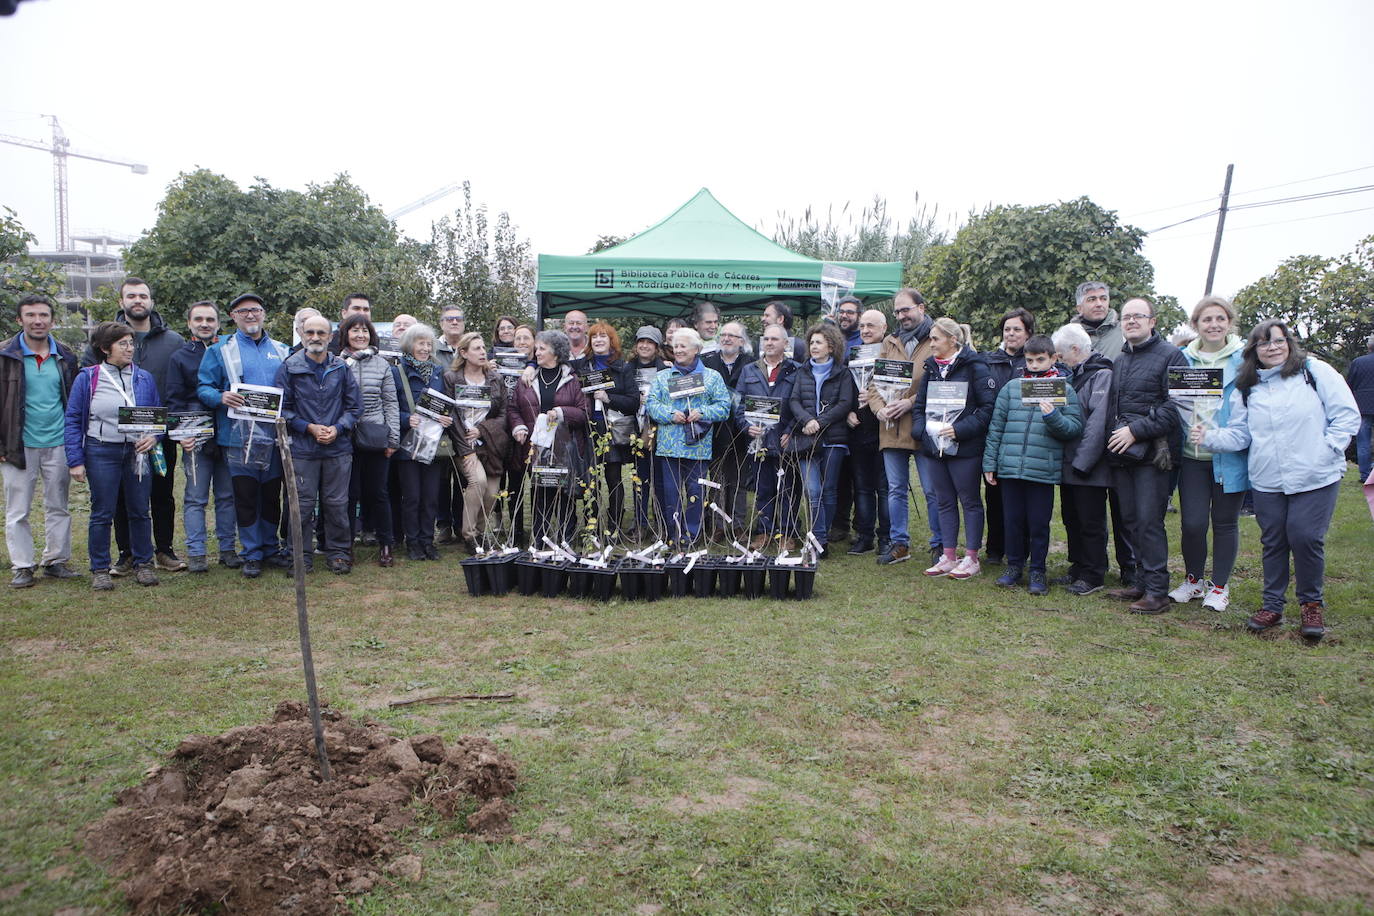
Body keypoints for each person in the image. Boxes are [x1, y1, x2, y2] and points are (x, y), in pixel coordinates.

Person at [1195, 320, 1359, 640]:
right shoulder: (1247, 386)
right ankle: (1272, 605)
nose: (1272, 347)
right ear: (1254, 350)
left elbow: (1346, 413)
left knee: (1305, 536)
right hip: (1268, 477)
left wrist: (1329, 449)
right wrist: (1210, 437)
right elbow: (1241, 435)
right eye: (1264, 343)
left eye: (1278, 341)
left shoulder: (1314, 372)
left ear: (1289, 343)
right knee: (1273, 541)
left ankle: (1311, 604)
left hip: (1316, 474)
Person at [82, 277, 187, 574]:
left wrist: (164, 430)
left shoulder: (173, 341)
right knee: (120, 498)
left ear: (151, 301)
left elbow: (179, 387)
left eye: (143, 295)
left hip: (158, 434)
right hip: (116, 439)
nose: (137, 300)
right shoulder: (102, 339)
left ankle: (164, 549)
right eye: (131, 296)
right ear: (121, 302)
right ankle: (127, 553)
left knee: (162, 494)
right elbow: (89, 385)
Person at [197, 292, 291, 578]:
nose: (250, 315)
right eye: (243, 311)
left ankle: (270, 548)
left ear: (264, 314)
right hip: (239, 438)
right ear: (233, 316)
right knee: (246, 495)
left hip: (274, 437)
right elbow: (203, 387)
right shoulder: (220, 349)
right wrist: (221, 397)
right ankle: (251, 552)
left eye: (256, 310)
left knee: (271, 494)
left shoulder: (282, 349)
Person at [1104, 297, 1189, 614]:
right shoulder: (1121, 359)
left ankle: (1157, 592)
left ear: (1153, 321)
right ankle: (1141, 582)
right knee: (1130, 520)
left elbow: (1176, 406)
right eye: (1126, 317)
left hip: (1155, 455)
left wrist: (1136, 431)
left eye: (1138, 316)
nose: (1131, 321)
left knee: (1149, 521)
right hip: (1123, 454)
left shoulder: (1171, 355)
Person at [64, 322, 162, 590]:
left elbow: (156, 417)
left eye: (132, 343)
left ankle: (144, 564)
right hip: (101, 451)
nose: (130, 348)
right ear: (105, 348)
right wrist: (75, 460)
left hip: (136, 451)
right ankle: (99, 568)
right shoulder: (88, 377)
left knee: (140, 510)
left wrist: (154, 437)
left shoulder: (144, 378)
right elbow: (73, 419)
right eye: (123, 344)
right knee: (102, 512)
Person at [983, 335, 1083, 595]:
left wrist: (1052, 416)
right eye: (1030, 360)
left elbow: (1073, 428)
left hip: (1042, 470)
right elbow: (996, 428)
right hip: (1011, 467)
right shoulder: (1012, 388)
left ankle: (1038, 569)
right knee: (1012, 520)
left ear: (1053, 359)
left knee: (1039, 523)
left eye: (1041, 360)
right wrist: (990, 462)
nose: (1035, 365)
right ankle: (1014, 566)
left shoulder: (1065, 390)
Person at [1168, 295, 1248, 612]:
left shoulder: (1244, 360)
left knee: (1225, 522)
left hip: (1228, 455)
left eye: (1219, 319)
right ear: (1196, 325)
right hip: (1191, 457)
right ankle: (1193, 581)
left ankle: (1219, 586)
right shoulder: (1182, 359)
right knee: (1192, 523)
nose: (1213, 325)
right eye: (1206, 320)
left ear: (1229, 322)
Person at [1, 294, 80, 587]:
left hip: (58, 442)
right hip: (17, 444)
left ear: (53, 320)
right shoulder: (5, 355)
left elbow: (73, 401)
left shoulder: (65, 355)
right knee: (18, 509)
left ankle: (56, 560)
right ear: (19, 320)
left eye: (44, 315)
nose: (38, 321)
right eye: (31, 315)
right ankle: (22, 565)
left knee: (58, 504)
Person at [277, 314, 363, 574]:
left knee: (337, 504)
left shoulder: (341, 368)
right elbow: (283, 408)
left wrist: (338, 429)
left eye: (321, 333)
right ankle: (299, 556)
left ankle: (338, 553)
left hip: (337, 448)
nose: (315, 338)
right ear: (302, 335)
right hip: (303, 448)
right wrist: (309, 427)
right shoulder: (289, 367)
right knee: (301, 506)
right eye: (310, 332)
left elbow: (355, 406)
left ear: (330, 336)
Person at [911, 318, 995, 579]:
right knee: (944, 501)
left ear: (953, 340)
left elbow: (987, 408)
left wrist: (961, 430)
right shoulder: (931, 368)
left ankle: (971, 558)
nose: (931, 343)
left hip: (965, 448)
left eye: (935, 338)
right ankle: (948, 555)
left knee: (969, 501)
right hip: (934, 447)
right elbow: (919, 406)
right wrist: (921, 431)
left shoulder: (975, 366)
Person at [164, 301, 239, 573]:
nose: (205, 323)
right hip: (196, 436)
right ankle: (196, 552)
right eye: (199, 319)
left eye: (210, 319)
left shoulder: (230, 352)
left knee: (227, 495)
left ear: (219, 323)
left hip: (228, 432)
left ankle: (228, 548)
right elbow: (174, 400)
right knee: (196, 496)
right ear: (189, 323)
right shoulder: (180, 357)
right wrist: (180, 435)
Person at [868, 288, 938, 565]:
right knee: (895, 489)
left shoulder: (937, 338)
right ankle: (900, 544)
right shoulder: (890, 341)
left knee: (932, 489)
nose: (901, 316)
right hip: (891, 428)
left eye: (905, 309)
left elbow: (943, 385)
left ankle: (939, 544)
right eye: (897, 311)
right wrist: (879, 409)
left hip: (923, 427)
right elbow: (875, 384)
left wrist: (910, 403)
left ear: (921, 308)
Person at [645, 328, 732, 546]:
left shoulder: (712, 377)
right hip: (669, 447)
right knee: (670, 495)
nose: (678, 350)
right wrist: (669, 414)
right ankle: (673, 535)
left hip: (698, 447)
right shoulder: (662, 376)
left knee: (696, 492)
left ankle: (691, 535)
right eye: (676, 346)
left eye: (683, 345)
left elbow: (724, 407)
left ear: (697, 349)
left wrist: (702, 413)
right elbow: (652, 404)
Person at [507, 330, 588, 545]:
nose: (537, 352)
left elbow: (583, 412)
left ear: (556, 352)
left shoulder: (572, 380)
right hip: (535, 447)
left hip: (563, 447)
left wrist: (561, 412)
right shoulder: (527, 378)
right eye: (537, 348)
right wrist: (519, 427)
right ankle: (540, 541)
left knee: (565, 495)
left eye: (542, 348)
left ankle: (566, 540)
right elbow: (513, 409)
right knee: (539, 495)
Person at [1052, 323, 1114, 596]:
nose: (1059, 360)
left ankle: (1094, 572)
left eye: (1061, 355)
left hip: (1089, 466)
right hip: (1069, 463)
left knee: (1090, 521)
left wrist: (1083, 463)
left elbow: (1097, 423)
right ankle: (1077, 566)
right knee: (1071, 518)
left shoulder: (1101, 374)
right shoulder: (1072, 375)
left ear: (1076, 350)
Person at [788, 322, 858, 558]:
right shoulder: (802, 371)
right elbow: (794, 401)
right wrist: (808, 420)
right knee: (812, 490)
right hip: (805, 439)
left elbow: (845, 403)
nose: (814, 346)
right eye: (811, 342)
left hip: (833, 439)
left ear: (831, 345)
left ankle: (820, 538)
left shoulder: (843, 372)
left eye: (819, 342)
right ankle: (819, 539)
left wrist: (821, 421)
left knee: (828, 490)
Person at [338, 313, 400, 566]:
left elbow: (391, 403)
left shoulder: (382, 364)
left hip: (375, 437)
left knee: (378, 493)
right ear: (346, 335)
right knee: (349, 494)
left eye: (364, 330)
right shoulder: (336, 363)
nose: (360, 335)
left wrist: (393, 440)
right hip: (345, 437)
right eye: (355, 330)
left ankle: (386, 544)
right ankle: (346, 545)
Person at [737, 323, 801, 551]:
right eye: (766, 339)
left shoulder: (797, 370)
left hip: (785, 441)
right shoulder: (750, 370)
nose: (770, 343)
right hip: (759, 442)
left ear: (786, 343)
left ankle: (787, 533)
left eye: (775, 339)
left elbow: (802, 404)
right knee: (763, 489)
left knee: (788, 490)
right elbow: (740, 405)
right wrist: (746, 426)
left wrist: (792, 430)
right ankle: (764, 532)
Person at [394, 323, 453, 560]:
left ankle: (428, 542)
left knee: (430, 496)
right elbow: (388, 406)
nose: (426, 348)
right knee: (412, 496)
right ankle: (413, 542)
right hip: (407, 443)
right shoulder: (396, 372)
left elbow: (447, 403)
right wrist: (406, 419)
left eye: (429, 344)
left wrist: (446, 418)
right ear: (410, 345)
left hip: (432, 444)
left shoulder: (439, 373)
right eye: (421, 343)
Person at [446, 331, 508, 552]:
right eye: (476, 349)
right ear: (463, 352)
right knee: (478, 482)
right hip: (464, 446)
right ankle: (469, 535)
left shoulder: (495, 378)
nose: (482, 352)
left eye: (483, 348)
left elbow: (502, 413)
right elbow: (450, 416)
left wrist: (482, 431)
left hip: (490, 444)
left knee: (492, 492)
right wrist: (466, 448)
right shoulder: (451, 378)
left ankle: (482, 534)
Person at [577, 322, 639, 540]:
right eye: (594, 337)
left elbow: (633, 402)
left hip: (611, 430)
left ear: (611, 340)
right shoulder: (582, 366)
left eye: (603, 336)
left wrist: (608, 398)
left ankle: (614, 527)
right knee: (590, 479)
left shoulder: (623, 367)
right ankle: (591, 525)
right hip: (588, 428)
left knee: (613, 478)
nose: (598, 340)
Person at [983, 308, 1033, 566]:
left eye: (1017, 329)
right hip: (994, 437)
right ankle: (994, 549)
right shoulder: (989, 361)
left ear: (1028, 333)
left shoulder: (1034, 363)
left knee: (1021, 500)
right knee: (993, 496)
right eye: (1007, 329)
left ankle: (1021, 550)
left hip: (1023, 439)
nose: (1011, 334)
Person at [702, 321, 751, 539]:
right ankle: (719, 524)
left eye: (732, 336)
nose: (727, 339)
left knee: (739, 480)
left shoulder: (751, 364)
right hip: (714, 431)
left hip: (742, 430)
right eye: (724, 335)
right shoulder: (707, 363)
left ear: (741, 342)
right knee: (718, 479)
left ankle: (738, 524)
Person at [848, 310, 890, 556]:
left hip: (884, 431)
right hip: (857, 431)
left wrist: (877, 396)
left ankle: (886, 537)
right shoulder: (853, 356)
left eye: (871, 326)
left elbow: (900, 388)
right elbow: (842, 389)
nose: (865, 330)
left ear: (884, 328)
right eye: (862, 326)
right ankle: (865, 536)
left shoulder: (891, 353)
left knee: (884, 488)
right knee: (862, 487)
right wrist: (847, 412)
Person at [625, 326, 668, 541]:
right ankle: (640, 523)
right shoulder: (627, 368)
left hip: (660, 431)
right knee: (640, 479)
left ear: (657, 347)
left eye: (650, 342)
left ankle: (661, 524)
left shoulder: (666, 370)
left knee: (660, 480)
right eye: (641, 341)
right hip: (635, 430)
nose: (644, 345)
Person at [1069, 281, 1123, 362]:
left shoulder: (1124, 331)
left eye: (1103, 299)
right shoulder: (1068, 338)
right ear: (1080, 308)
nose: (1099, 304)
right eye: (1092, 299)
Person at [1346, 334, 1374, 483]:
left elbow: (1349, 384)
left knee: (1363, 442)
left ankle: (1365, 475)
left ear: (1369, 347)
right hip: (1363, 404)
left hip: (1362, 406)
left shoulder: (1358, 362)